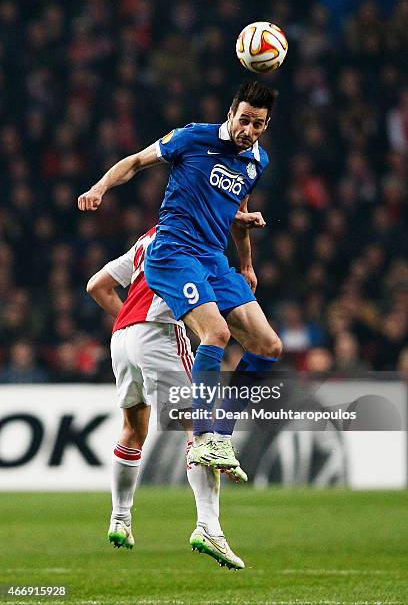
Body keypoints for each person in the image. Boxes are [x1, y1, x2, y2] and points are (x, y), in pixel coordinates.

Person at [78, 80, 283, 477]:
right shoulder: (192, 138)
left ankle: (221, 432)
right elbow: (136, 162)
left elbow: (237, 213)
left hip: (213, 258)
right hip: (173, 251)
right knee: (217, 333)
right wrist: (100, 186)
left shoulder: (257, 161)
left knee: (269, 346)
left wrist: (246, 264)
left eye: (257, 124)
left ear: (265, 125)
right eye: (244, 120)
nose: (249, 131)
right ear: (230, 113)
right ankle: (204, 436)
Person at [86, 225, 262, 570]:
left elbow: (97, 286)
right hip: (160, 332)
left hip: (122, 338)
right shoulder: (193, 235)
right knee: (201, 431)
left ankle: (120, 517)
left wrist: (130, 321)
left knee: (133, 430)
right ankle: (209, 527)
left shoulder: (146, 239)